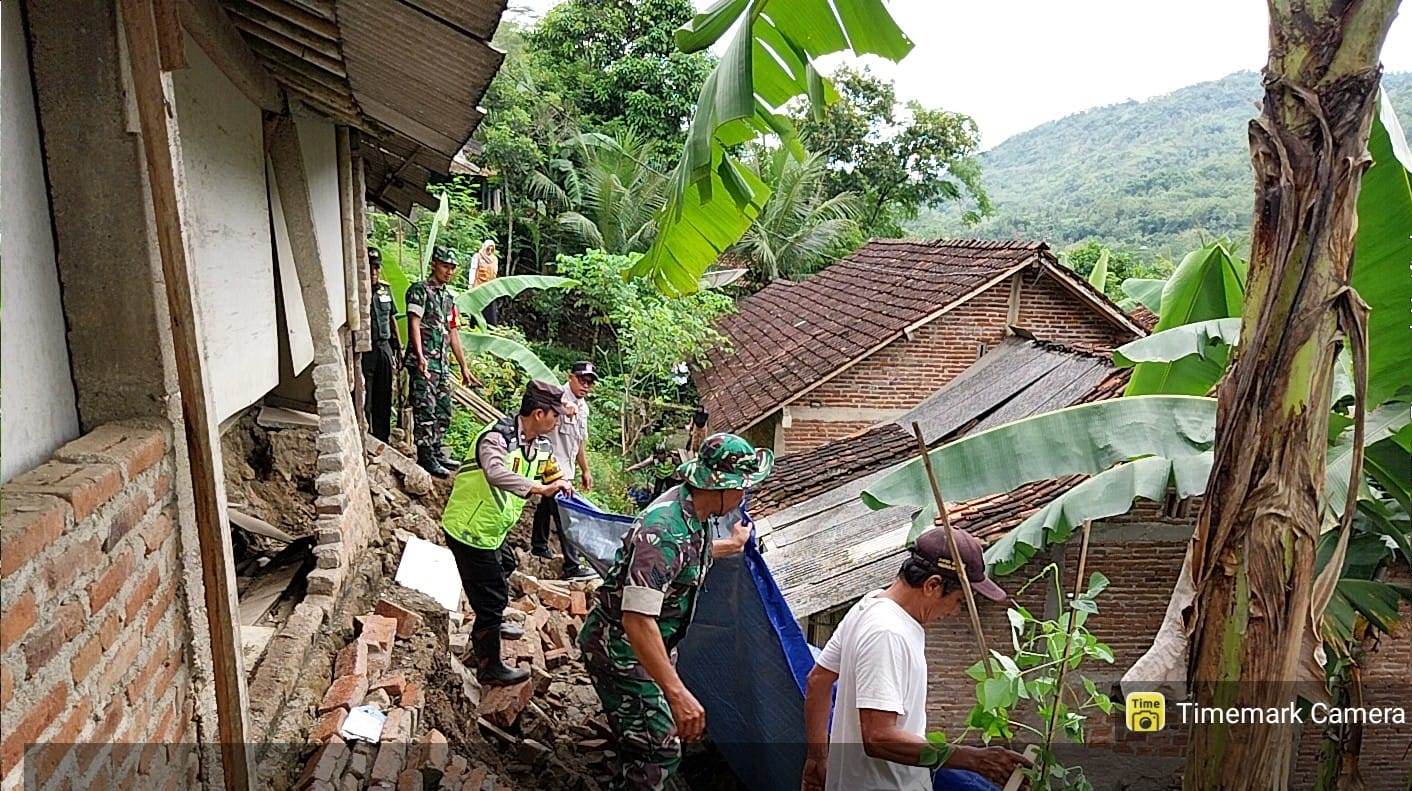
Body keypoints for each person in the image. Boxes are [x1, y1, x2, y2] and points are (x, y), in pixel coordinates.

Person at [578, 433, 773, 791]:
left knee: (645, 742)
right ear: (720, 487)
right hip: (621, 649)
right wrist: (676, 691)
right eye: (743, 488)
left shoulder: (690, 514)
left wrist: (732, 545)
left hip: (644, 644)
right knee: (660, 751)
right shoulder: (663, 531)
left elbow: (687, 556)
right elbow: (637, 620)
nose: (745, 496)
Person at [801, 528, 1032, 791]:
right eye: (958, 600)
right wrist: (972, 759)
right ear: (932, 585)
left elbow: (818, 680)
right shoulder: (888, 632)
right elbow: (878, 737)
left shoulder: (870, 605)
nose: (955, 612)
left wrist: (817, 757)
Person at [443, 380, 575, 685]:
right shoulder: (496, 438)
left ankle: (492, 623)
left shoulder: (540, 445)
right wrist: (539, 489)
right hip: (468, 530)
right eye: (556, 415)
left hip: (493, 530)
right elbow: (495, 472)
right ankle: (489, 666)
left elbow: (552, 473)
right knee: (492, 598)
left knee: (507, 565)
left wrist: (562, 485)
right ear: (539, 414)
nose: (558, 421)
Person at [405, 246, 474, 477]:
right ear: (435, 264)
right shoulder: (420, 291)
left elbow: (452, 332)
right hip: (424, 363)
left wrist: (463, 366)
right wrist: (420, 356)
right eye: (445, 265)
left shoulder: (448, 298)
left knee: (443, 410)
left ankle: (436, 450)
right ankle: (425, 455)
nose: (449, 271)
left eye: (452, 267)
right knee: (425, 409)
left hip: (442, 365)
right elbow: (414, 323)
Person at [531, 361, 598, 579]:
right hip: (551, 466)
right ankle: (572, 566)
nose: (585, 385)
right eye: (581, 380)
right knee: (565, 514)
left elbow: (579, 443)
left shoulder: (583, 409)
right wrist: (563, 409)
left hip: (567, 467)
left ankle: (539, 544)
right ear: (570, 377)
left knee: (546, 506)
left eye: (589, 382)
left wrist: (585, 470)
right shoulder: (556, 398)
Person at [362, 247, 400, 442]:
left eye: (376, 268)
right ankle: (366, 437)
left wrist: (398, 347)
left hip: (385, 346)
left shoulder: (386, 291)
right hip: (366, 349)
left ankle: (382, 438)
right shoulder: (357, 293)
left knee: (384, 395)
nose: (373, 272)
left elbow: (392, 318)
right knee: (365, 396)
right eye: (370, 268)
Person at [472, 239, 500, 324]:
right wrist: (471, 283)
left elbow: (494, 273)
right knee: (477, 308)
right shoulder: (477, 256)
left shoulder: (494, 259)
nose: (490, 251)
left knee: (490, 309)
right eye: (488, 249)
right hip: (478, 285)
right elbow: (473, 270)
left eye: (492, 249)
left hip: (489, 287)